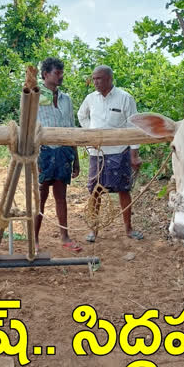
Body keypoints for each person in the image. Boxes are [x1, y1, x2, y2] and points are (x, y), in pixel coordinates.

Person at [77, 65, 143, 241]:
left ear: (109, 79)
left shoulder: (125, 98)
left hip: (119, 151)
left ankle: (128, 229)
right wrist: (90, 131)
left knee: (123, 190)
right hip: (96, 153)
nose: (95, 82)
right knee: (95, 192)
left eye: (98, 78)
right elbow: (81, 115)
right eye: (93, 78)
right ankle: (94, 230)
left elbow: (133, 126)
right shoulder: (90, 98)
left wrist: (134, 155)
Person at [34, 58, 82, 253]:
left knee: (61, 196)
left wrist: (76, 159)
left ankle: (65, 236)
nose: (61, 76)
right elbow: (29, 129)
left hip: (64, 152)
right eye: (57, 73)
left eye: (62, 72)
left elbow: (71, 130)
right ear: (45, 74)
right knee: (40, 197)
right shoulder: (33, 97)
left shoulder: (66, 99)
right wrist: (33, 157)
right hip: (43, 152)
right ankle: (34, 240)